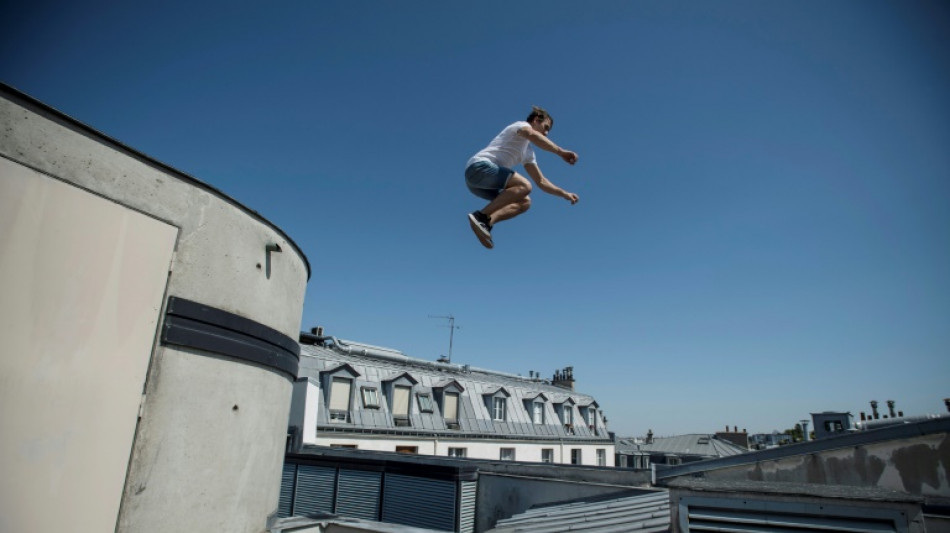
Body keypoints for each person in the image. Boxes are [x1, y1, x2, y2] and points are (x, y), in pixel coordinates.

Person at [464, 106, 579, 249]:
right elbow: (532, 135)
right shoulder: (521, 126)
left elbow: (541, 181)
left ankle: (485, 223)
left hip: (479, 185)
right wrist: (561, 152)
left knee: (525, 202)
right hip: (478, 168)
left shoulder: (528, 152)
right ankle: (481, 216)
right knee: (524, 185)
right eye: (546, 127)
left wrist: (565, 194)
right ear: (536, 120)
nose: (546, 133)